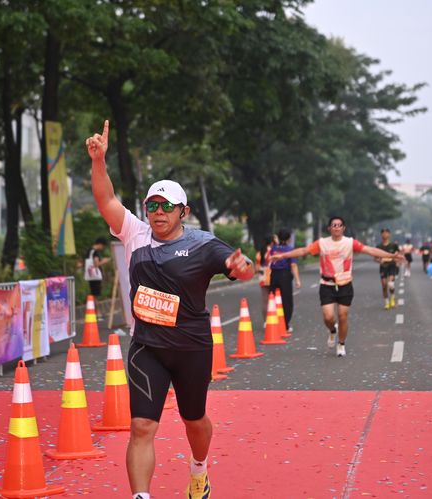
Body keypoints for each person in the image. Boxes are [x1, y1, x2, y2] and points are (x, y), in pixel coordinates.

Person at [86, 120, 254, 499]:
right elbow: (106, 200)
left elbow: (241, 267)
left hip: (192, 347)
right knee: (142, 427)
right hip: (148, 347)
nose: (157, 212)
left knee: (194, 420)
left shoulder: (203, 244)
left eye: (166, 207)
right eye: (152, 205)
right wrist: (98, 161)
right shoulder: (135, 233)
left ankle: (199, 469)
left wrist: (243, 267)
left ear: (183, 211)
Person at [269, 216, 403, 358]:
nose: (337, 227)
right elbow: (303, 251)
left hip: (345, 284)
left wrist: (391, 256)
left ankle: (341, 343)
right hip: (327, 284)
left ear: (343, 228)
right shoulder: (322, 243)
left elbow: (370, 250)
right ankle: (332, 330)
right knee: (328, 317)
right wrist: (283, 256)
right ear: (329, 228)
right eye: (334, 225)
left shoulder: (350, 242)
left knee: (342, 316)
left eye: (339, 225)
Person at [268, 229, 301, 330]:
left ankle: (273, 322)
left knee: (273, 299)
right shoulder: (290, 249)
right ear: (289, 238)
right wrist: (297, 280)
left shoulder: (273, 248)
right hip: (285, 276)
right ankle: (285, 325)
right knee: (286, 301)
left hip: (273, 275)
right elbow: (293, 265)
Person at [375, 229, 400, 309]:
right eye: (383, 233)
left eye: (386, 233)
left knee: (390, 284)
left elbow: (398, 255)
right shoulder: (379, 246)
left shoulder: (393, 245)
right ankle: (386, 302)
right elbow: (375, 258)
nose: (385, 235)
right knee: (384, 285)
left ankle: (392, 298)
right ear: (381, 235)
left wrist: (397, 260)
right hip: (383, 267)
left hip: (392, 266)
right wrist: (380, 261)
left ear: (389, 234)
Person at [255, 235, 276, 318]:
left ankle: (266, 320)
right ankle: (274, 318)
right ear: (271, 242)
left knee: (265, 300)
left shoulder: (259, 253)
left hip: (263, 277)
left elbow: (256, 268)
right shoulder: (274, 251)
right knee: (274, 298)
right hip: (273, 275)